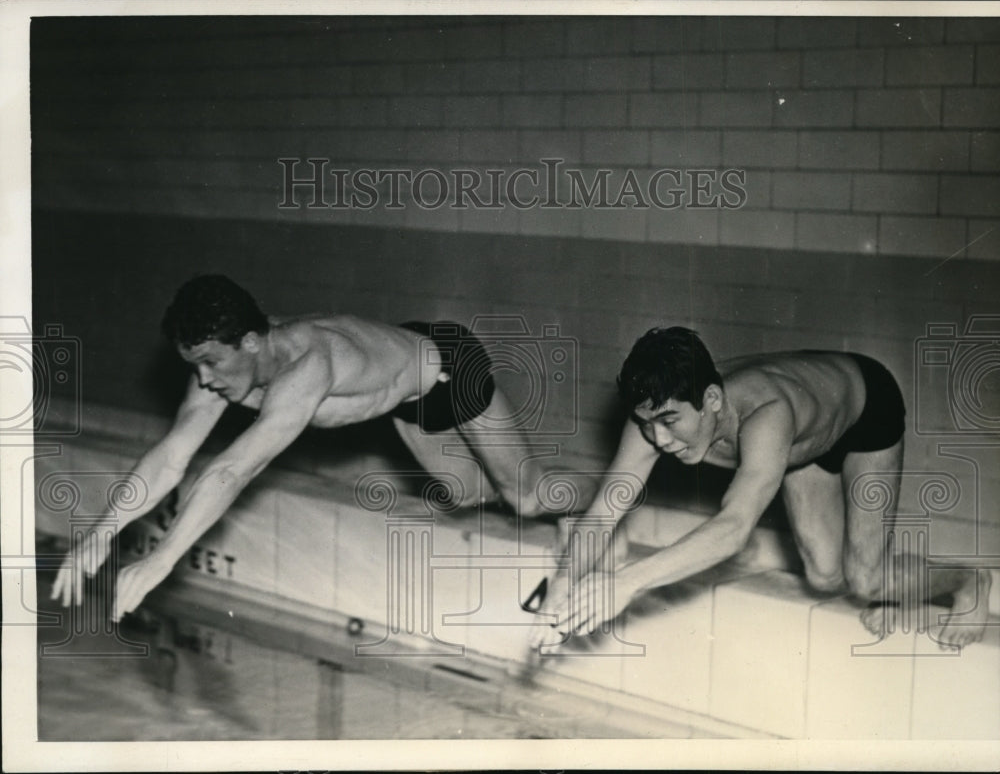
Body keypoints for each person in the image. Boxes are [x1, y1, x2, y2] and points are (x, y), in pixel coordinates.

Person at [51, 274, 551, 620]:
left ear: (250, 343)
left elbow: (234, 469)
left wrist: (162, 558)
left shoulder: (306, 365)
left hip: (446, 369)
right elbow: (171, 456)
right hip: (404, 391)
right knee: (466, 495)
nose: (202, 379)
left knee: (527, 496)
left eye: (210, 363)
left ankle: (596, 505)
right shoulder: (227, 369)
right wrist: (101, 533)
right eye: (194, 365)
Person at [530, 326, 991, 651]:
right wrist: (561, 588)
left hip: (864, 407)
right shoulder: (652, 418)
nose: (660, 441)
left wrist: (628, 582)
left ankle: (970, 582)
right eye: (648, 425)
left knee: (866, 577)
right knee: (827, 576)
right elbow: (600, 516)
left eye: (670, 423)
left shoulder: (766, 418)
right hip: (801, 441)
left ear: (711, 401)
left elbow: (734, 528)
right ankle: (893, 590)